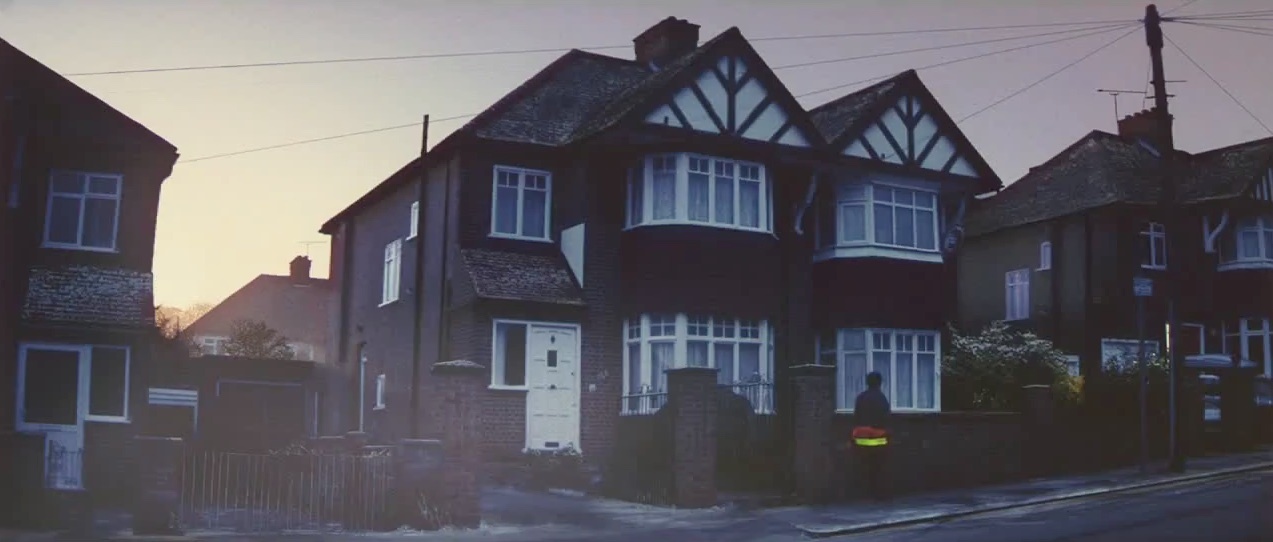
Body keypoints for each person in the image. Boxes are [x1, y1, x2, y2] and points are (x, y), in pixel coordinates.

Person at [852, 371, 891, 501]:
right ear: (879, 383)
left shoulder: (861, 397)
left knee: (862, 467)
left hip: (861, 439)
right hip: (877, 439)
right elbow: (886, 417)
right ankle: (878, 495)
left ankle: (862, 494)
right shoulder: (881, 398)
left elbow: (856, 416)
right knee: (878, 468)